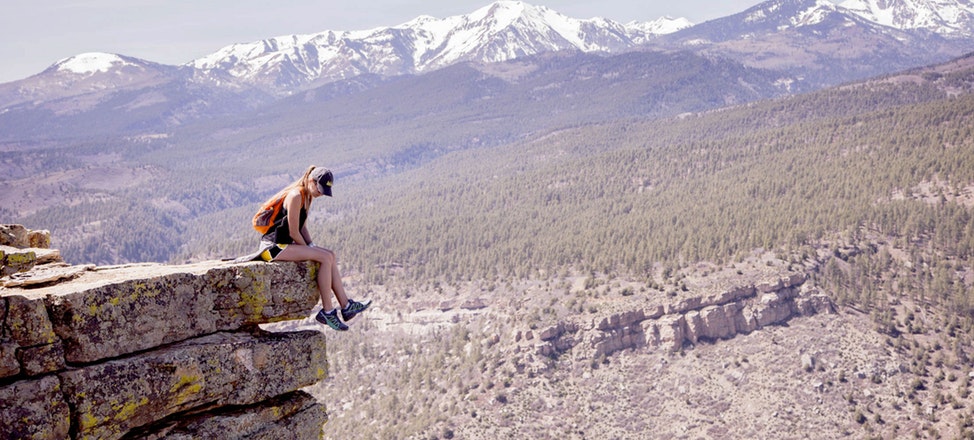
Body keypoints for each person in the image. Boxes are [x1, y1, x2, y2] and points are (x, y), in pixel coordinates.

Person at [256, 165, 371, 331]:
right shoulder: (295, 195)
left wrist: (312, 246)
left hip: (284, 245)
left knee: (329, 254)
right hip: (271, 249)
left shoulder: (306, 196)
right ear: (311, 181)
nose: (320, 194)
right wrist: (312, 252)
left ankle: (346, 306)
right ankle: (328, 311)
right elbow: (294, 232)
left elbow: (302, 227)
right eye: (320, 189)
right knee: (323, 257)